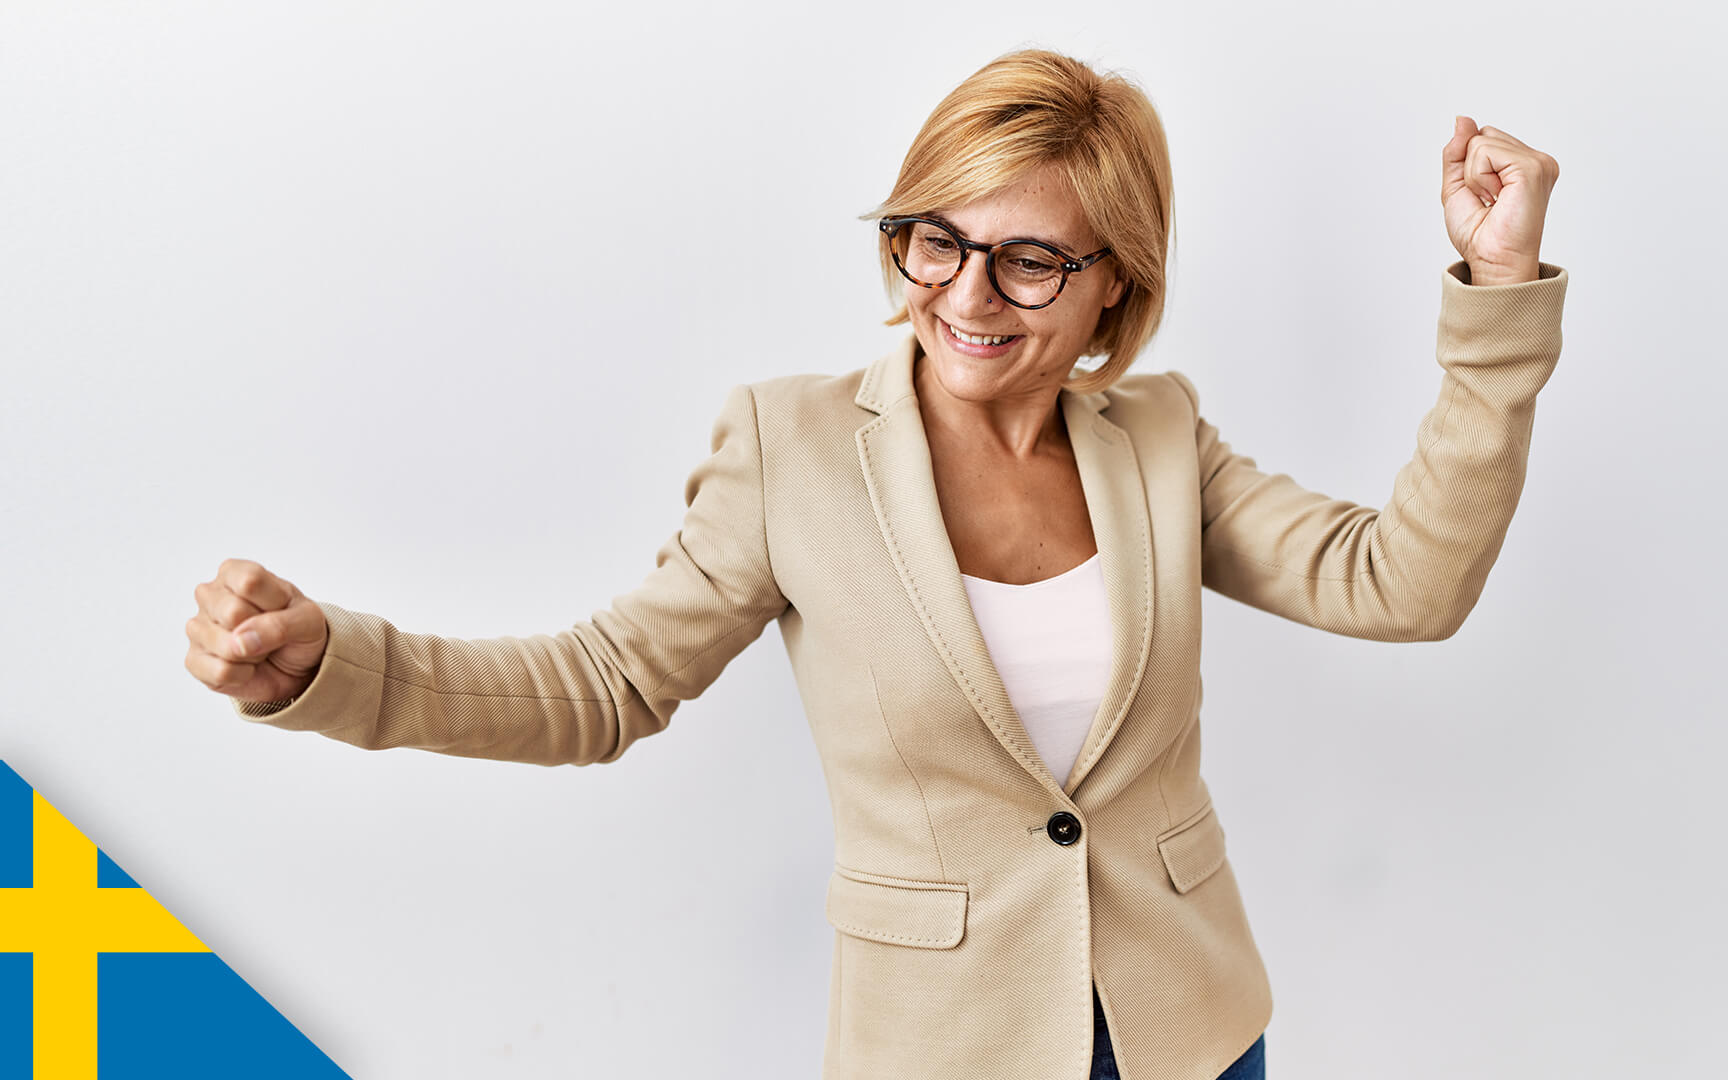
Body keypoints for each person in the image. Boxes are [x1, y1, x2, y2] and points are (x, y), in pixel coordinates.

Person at [183, 48, 1567, 1080]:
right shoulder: (791, 447)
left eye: (1029, 261)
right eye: (936, 239)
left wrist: (1500, 298)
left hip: (1188, 1034)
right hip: (943, 1048)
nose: (965, 294)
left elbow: (1403, 584)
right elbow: (606, 685)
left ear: (1114, 282)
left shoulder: (1158, 440)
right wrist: (335, 668)